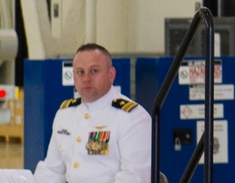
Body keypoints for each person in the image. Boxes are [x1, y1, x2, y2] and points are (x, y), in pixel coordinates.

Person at [35, 43, 151, 183]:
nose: (86, 79)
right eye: (80, 72)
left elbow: (134, 178)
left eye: (94, 71)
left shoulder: (133, 117)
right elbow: (51, 170)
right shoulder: (65, 113)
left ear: (111, 74)